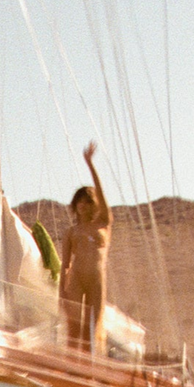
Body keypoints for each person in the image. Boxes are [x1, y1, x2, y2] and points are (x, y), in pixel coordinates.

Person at [60, 142, 113, 358]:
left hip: (96, 278)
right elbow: (65, 264)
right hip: (77, 277)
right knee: (73, 325)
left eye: (88, 201)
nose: (83, 204)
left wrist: (90, 165)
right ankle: (72, 367)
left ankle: (91, 367)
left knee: (95, 325)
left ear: (94, 204)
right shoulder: (72, 232)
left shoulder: (104, 223)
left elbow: (101, 194)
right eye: (79, 201)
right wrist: (60, 294)